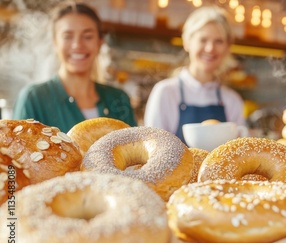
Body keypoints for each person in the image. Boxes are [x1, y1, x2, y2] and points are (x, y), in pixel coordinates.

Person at [12, 1, 137, 132]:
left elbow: (134, 150)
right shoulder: (34, 99)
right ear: (55, 42)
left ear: (100, 43)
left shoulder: (119, 100)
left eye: (88, 37)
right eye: (68, 36)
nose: (77, 45)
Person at [144, 6, 245, 143]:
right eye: (203, 40)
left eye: (219, 41)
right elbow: (153, 150)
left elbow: (238, 154)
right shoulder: (166, 92)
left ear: (227, 48)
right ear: (187, 42)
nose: (210, 48)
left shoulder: (232, 101)